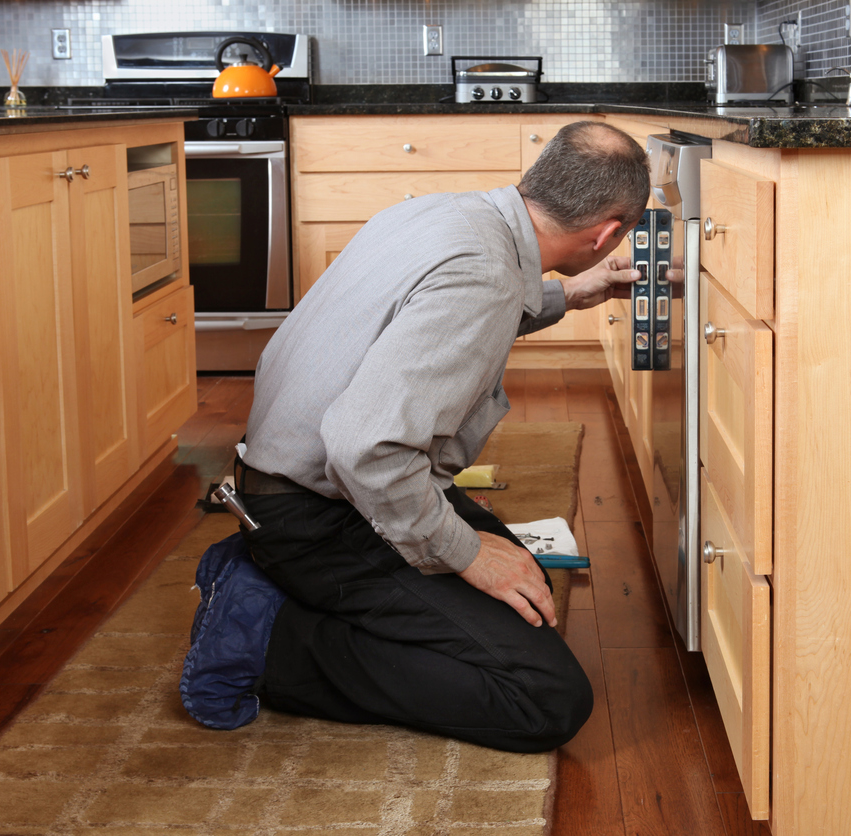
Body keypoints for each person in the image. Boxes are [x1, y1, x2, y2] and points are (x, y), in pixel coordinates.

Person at [182, 121, 651, 753]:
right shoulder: (484, 274)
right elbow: (364, 445)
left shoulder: (448, 215)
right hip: (319, 515)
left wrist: (564, 295)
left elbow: (439, 313)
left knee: (521, 586)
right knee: (545, 696)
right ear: (607, 233)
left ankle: (277, 585)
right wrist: (467, 555)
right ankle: (267, 642)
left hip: (293, 484)